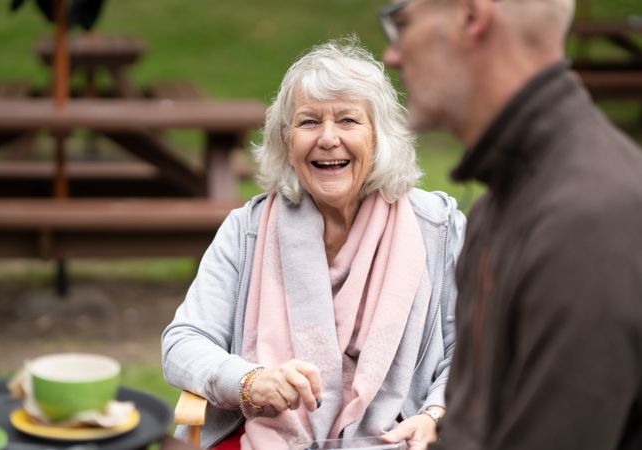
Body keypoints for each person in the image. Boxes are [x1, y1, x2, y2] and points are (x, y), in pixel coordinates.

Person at [162, 39, 466, 450]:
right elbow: (183, 342)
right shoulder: (246, 230)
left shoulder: (438, 228)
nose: (327, 139)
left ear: (380, 138)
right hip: (264, 435)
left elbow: (471, 352)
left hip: (396, 437)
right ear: (286, 141)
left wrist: (435, 416)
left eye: (347, 121)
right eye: (308, 122)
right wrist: (250, 381)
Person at [379, 0, 642, 449]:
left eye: (402, 23)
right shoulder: (498, 205)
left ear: (470, 18)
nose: (393, 55)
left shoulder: (589, 218)